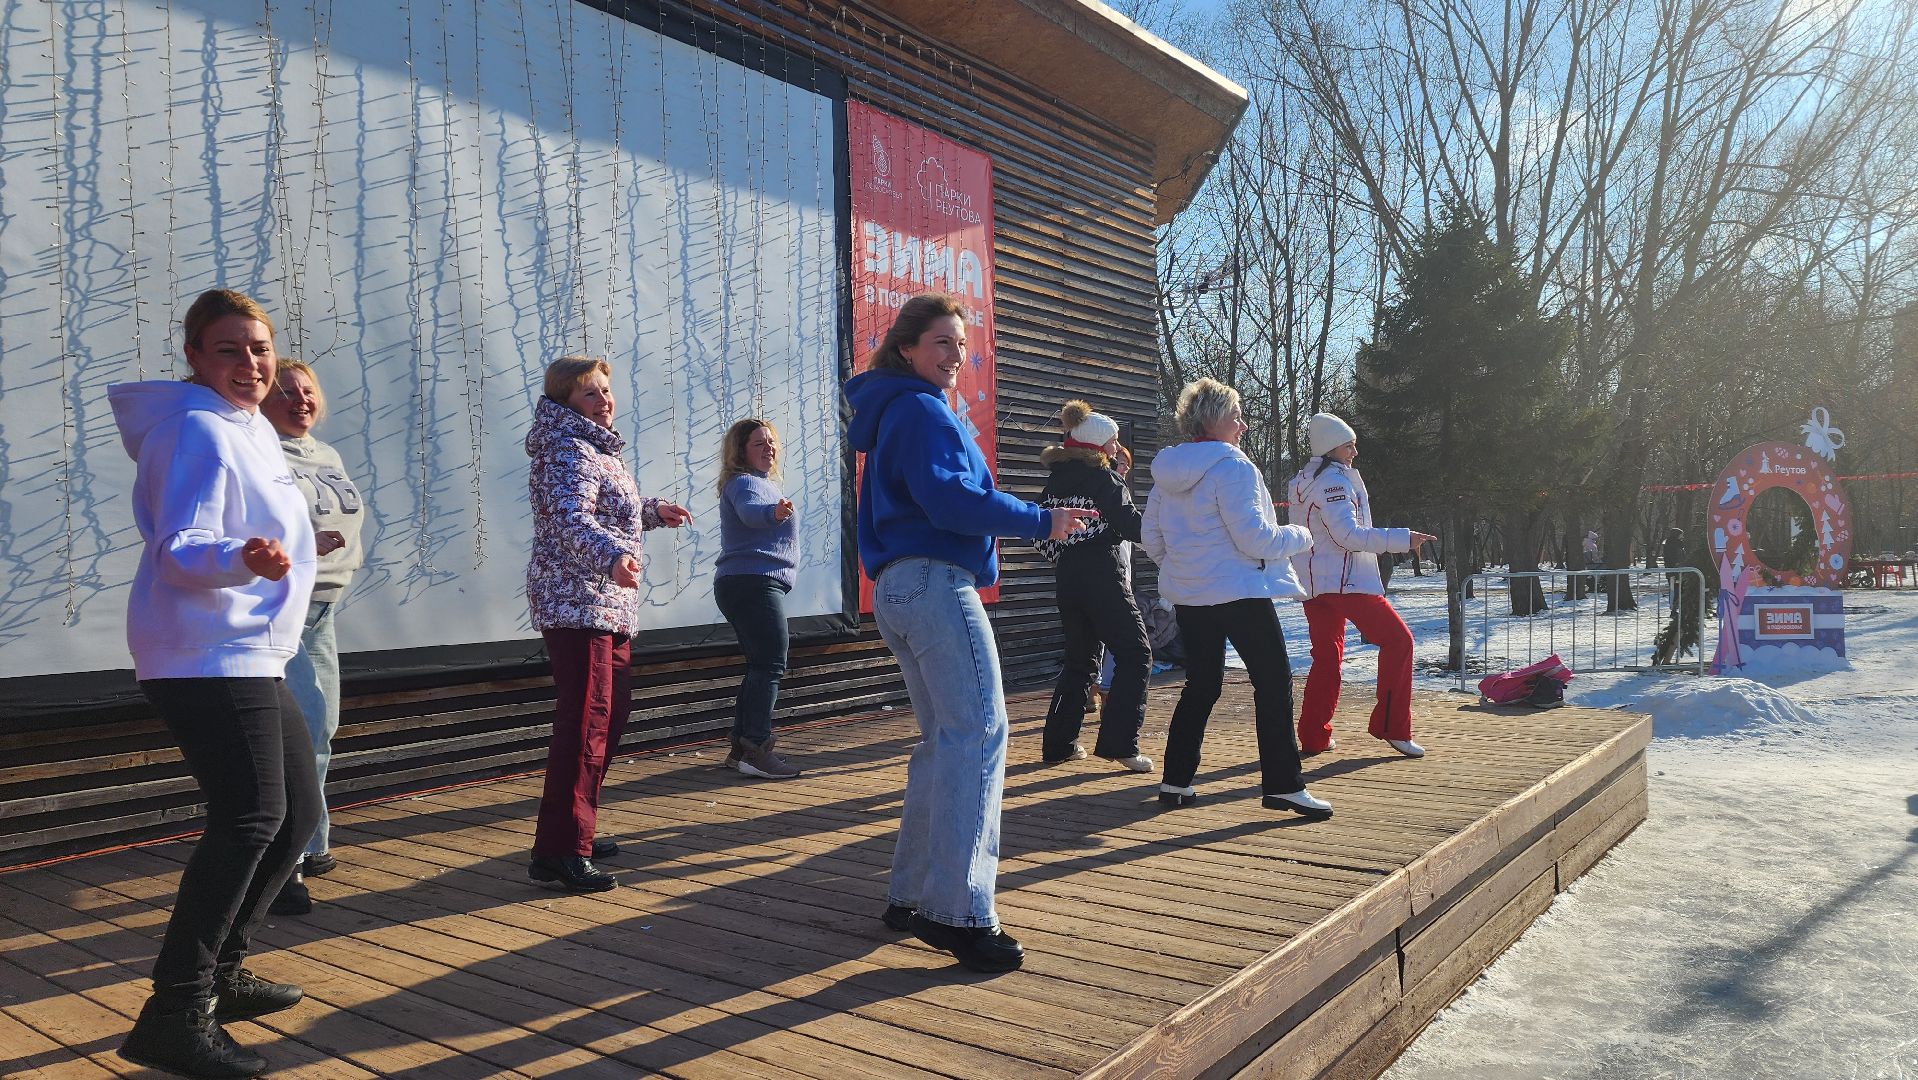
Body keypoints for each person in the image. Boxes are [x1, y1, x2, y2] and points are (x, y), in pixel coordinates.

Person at [844, 292, 1094, 974]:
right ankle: (955, 912)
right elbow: (951, 500)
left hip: (898, 587)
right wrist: (1044, 521)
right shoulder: (921, 410)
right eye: (941, 344)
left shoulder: (895, 409)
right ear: (906, 350)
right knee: (978, 736)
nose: (956, 357)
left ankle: (911, 895)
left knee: (944, 743)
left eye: (961, 344)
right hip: (935, 583)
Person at [107, 289, 321, 1079]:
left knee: (294, 812)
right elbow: (181, 546)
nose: (251, 364)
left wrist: (282, 548)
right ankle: (176, 1011)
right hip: (204, 651)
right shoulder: (197, 428)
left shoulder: (248, 430)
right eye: (229, 350)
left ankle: (222, 976)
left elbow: (247, 529)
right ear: (194, 357)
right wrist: (241, 560)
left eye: (260, 349)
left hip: (247, 649)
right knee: (250, 815)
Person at [524, 355, 691, 893]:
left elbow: (607, 508)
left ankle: (578, 829)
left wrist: (650, 511)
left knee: (608, 718)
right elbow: (572, 520)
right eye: (590, 394)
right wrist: (612, 557)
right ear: (565, 402)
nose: (604, 401)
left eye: (605, 391)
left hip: (605, 604)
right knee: (586, 725)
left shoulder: (595, 447)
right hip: (578, 603)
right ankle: (559, 852)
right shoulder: (568, 448)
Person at [1140, 378, 1329, 818]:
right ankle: (1283, 786)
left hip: (1190, 595)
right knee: (1274, 681)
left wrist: (1184, 565)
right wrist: (1302, 535)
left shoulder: (1166, 472)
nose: (1243, 425)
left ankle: (1176, 782)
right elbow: (1256, 539)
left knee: (1201, 685)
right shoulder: (1234, 467)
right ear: (1213, 420)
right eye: (1236, 416)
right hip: (1239, 593)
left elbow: (1151, 538)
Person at [259, 360, 366, 917]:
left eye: (307, 391)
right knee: (295, 735)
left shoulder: (325, 453)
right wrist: (299, 541)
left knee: (321, 726)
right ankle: (283, 867)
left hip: (323, 609)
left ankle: (311, 840)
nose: (300, 399)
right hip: (281, 610)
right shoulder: (258, 450)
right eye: (286, 391)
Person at [1287, 413, 1435, 759]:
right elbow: (1347, 536)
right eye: (1349, 444)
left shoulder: (1304, 479)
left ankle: (1314, 736)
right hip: (1345, 582)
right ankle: (1393, 727)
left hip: (1313, 584)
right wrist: (1403, 538)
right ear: (1331, 447)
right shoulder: (1333, 483)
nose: (1355, 451)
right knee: (1399, 641)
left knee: (1327, 658)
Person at [1036, 400, 1151, 771]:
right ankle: (1120, 743)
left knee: (1079, 662)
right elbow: (1135, 528)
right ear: (1098, 447)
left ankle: (1058, 745)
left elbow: (1041, 537)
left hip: (1067, 578)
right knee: (1136, 653)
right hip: (1103, 572)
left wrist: (1068, 551)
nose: (1118, 448)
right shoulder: (1107, 480)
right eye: (1114, 442)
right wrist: (1174, 524)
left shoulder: (1055, 481)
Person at [714, 418, 801, 780]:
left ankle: (741, 749)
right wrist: (773, 513)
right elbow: (752, 514)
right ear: (741, 451)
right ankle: (756, 746)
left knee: (761, 664)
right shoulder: (745, 483)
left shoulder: (762, 484)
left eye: (771, 442)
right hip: (753, 583)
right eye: (758, 443)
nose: (769, 448)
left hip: (751, 584)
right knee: (769, 664)